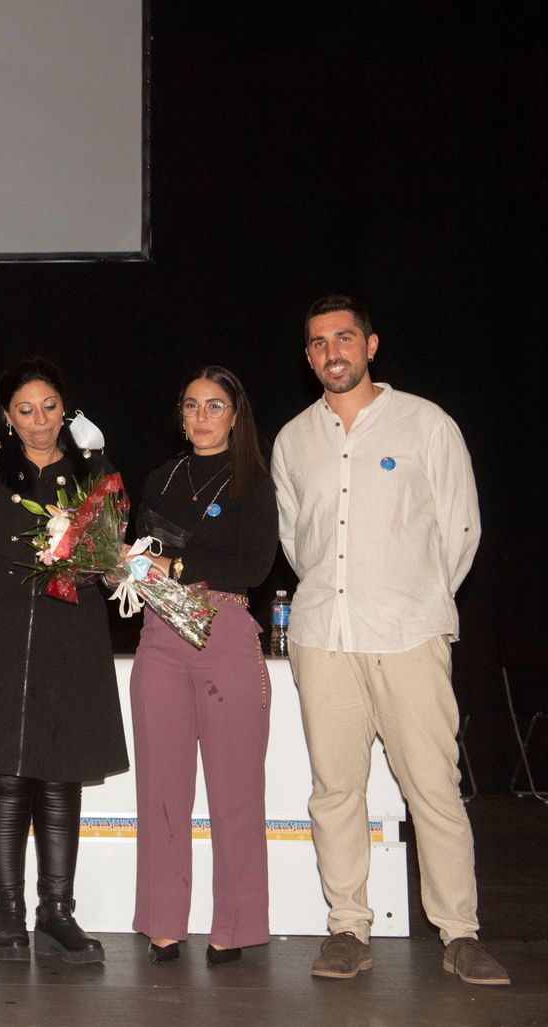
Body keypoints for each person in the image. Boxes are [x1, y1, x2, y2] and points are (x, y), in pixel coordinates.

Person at [273, 294, 507, 986]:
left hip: (408, 634)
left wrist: (420, 601)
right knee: (335, 789)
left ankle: (459, 932)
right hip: (323, 637)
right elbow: (296, 541)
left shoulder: (425, 423)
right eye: (318, 343)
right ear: (309, 355)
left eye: (344, 338)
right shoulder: (293, 439)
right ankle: (347, 926)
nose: (331, 352)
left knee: (431, 785)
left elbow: (461, 528)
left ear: (371, 345)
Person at [0, 356, 128, 964]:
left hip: (70, 629)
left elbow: (113, 540)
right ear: (7, 415)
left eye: (50, 407)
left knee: (61, 769)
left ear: (65, 410)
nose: (39, 420)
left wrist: (99, 530)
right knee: (6, 769)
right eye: (26, 409)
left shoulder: (91, 468)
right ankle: (8, 909)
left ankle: (57, 910)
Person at [127, 366, 277, 966]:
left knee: (235, 789)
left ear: (236, 415)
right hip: (160, 632)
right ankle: (163, 921)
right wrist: (128, 565)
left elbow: (255, 564)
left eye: (214, 406)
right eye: (191, 406)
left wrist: (179, 566)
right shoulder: (162, 478)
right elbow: (140, 558)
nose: (200, 417)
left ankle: (235, 926)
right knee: (161, 786)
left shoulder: (254, 480)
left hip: (225, 630)